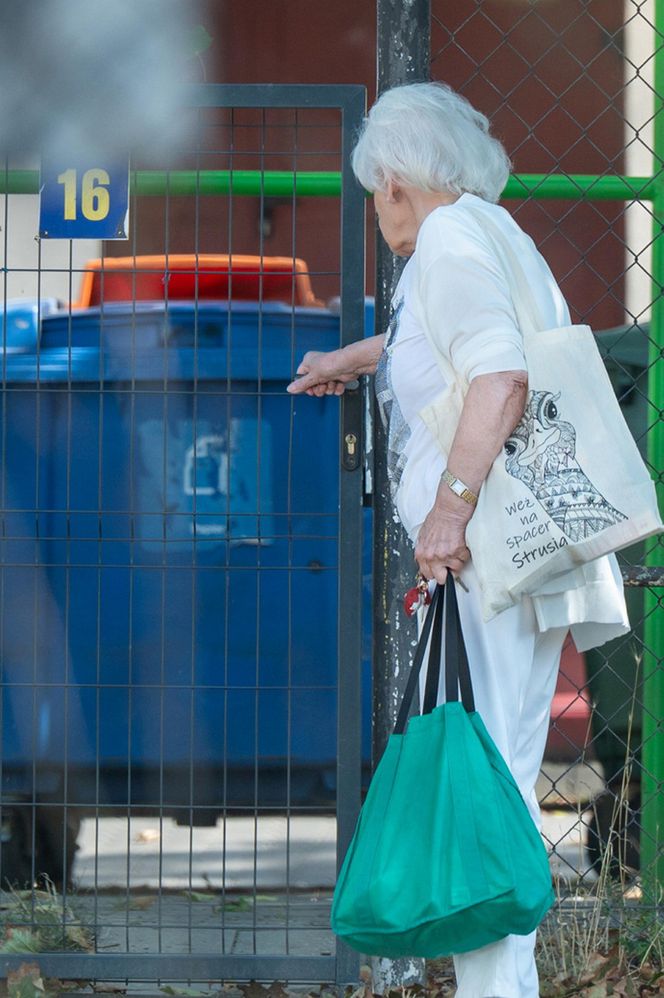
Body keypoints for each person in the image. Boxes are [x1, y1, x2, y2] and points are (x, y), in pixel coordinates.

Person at [287, 81, 629, 998]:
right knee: (501, 769)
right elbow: (442, 342)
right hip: (529, 551)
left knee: (488, 780)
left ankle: (495, 990)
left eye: (374, 192)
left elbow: (499, 376)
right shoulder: (491, 231)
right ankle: (501, 985)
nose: (375, 211)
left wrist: (449, 507)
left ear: (396, 177)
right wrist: (349, 361)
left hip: (486, 552)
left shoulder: (443, 244)